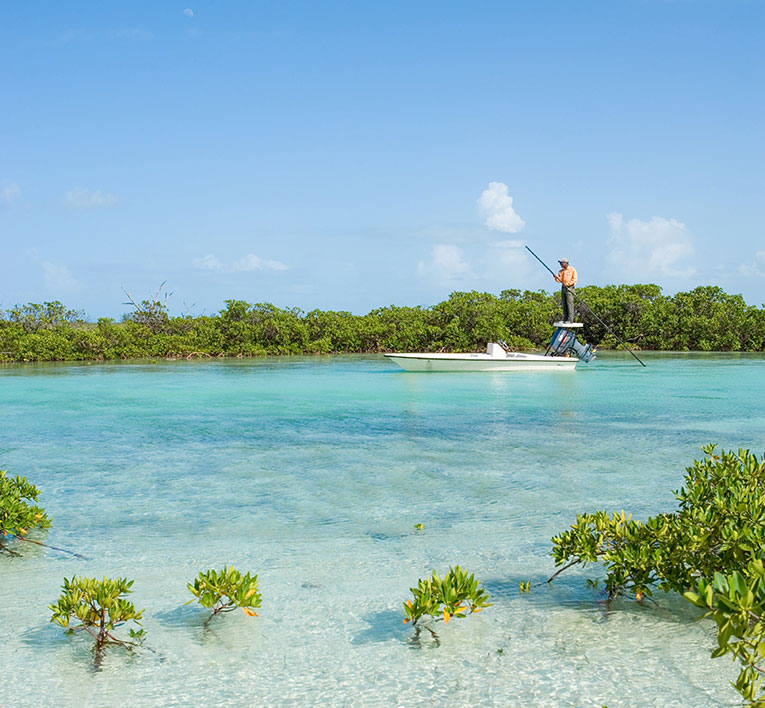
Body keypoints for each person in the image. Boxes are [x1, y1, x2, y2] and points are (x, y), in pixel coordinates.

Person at [554, 258, 577, 322]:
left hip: (570, 288)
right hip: (563, 288)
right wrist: (556, 277)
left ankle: (570, 319)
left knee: (569, 303)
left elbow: (574, 279)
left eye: (561, 263)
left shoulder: (572, 269)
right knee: (564, 304)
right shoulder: (561, 271)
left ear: (566, 263)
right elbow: (559, 280)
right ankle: (565, 319)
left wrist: (568, 284)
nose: (560, 264)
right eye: (560, 263)